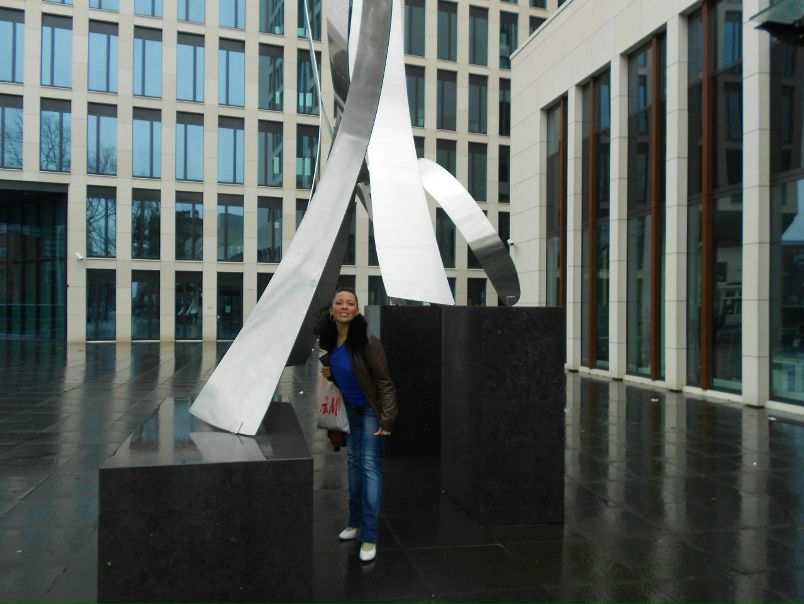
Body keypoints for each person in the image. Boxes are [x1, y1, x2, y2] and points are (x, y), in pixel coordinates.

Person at [317, 288, 397, 563]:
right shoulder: (332, 339)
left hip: (371, 410)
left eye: (349, 303)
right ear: (332, 310)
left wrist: (387, 418)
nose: (344, 306)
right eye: (339, 302)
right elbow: (348, 375)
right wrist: (330, 373)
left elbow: (384, 381)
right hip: (351, 408)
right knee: (353, 462)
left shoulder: (367, 341)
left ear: (356, 310)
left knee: (369, 465)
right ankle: (355, 521)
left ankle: (370, 535)